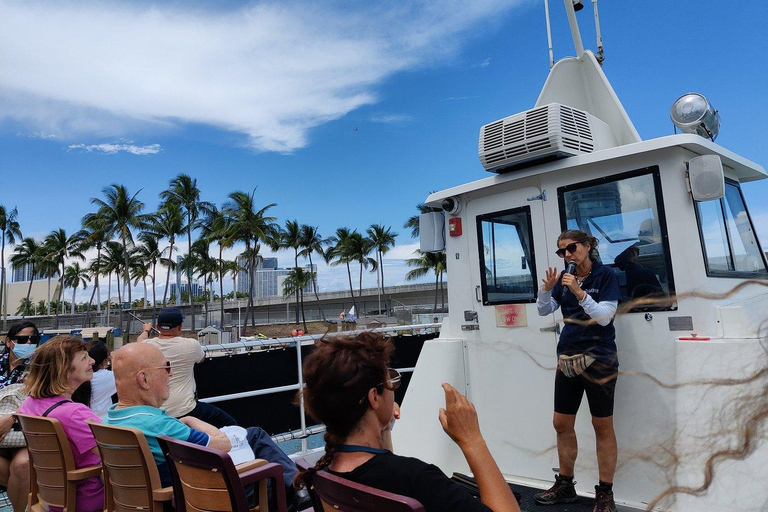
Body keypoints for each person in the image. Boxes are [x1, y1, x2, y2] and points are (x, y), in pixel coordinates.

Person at [295, 332, 519, 512]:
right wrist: (472, 440)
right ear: (374, 397)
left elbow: (382, 468)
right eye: (390, 380)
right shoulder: (418, 479)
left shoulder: (325, 472)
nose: (393, 389)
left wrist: (382, 426)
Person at [106, 342, 310, 511]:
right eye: (166, 367)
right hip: (200, 499)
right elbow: (223, 445)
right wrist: (190, 419)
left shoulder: (109, 422)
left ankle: (299, 489)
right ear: (144, 379)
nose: (171, 374)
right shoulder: (160, 426)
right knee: (273, 478)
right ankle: (301, 491)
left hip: (156, 497)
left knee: (254, 435)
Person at [536, 230, 621, 512]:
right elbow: (544, 310)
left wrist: (578, 291)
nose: (567, 255)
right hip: (569, 358)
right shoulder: (563, 279)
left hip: (600, 359)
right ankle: (565, 485)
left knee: (602, 426)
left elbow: (604, 317)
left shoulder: (605, 276)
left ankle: (605, 494)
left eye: (571, 248)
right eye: (561, 252)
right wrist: (546, 290)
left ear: (587, 246)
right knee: (561, 423)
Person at [18, 336, 104, 512]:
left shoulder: (29, 405)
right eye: (84, 358)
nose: (92, 361)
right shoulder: (75, 414)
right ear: (64, 370)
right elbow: (118, 455)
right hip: (88, 499)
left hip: (52, 500)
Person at [137, 307, 236, 427]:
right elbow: (202, 358)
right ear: (180, 327)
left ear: (157, 327)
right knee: (229, 423)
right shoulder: (191, 345)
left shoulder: (146, 346)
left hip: (156, 412)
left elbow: (140, 340)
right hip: (184, 410)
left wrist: (146, 330)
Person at [0, 321, 37, 512]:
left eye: (34, 339)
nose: (29, 343)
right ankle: (29, 497)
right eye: (23, 339)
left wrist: (12, 417)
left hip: (21, 433)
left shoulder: (39, 369)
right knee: (16, 475)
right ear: (9, 342)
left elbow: (43, 400)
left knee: (22, 466)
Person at [72, 341, 117, 419]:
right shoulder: (103, 377)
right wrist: (115, 359)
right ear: (103, 362)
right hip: (101, 425)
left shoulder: (78, 377)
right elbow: (123, 376)